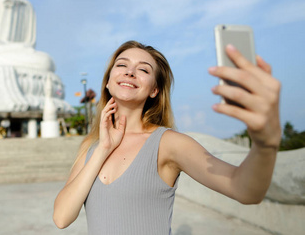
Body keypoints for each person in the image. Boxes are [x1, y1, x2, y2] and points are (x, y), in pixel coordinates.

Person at [53, 41, 281, 234]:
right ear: (108, 81)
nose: (130, 72)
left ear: (154, 90)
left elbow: (245, 190)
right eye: (121, 65)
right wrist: (103, 148)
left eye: (143, 70)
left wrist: (265, 143)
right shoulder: (90, 147)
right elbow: (61, 218)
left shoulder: (168, 143)